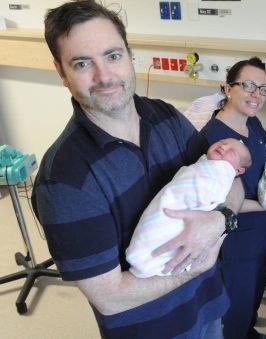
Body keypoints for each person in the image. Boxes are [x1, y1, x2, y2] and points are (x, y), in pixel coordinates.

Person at [31, 2, 244, 338]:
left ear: (130, 57)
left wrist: (220, 219)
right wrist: (197, 264)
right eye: (83, 63)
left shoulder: (166, 117)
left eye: (113, 56)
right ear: (61, 72)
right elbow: (110, 297)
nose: (103, 77)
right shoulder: (64, 181)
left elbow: (229, 178)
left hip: (209, 304)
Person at [198, 56, 266, 339]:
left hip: (262, 232)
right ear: (227, 88)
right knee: (235, 308)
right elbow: (214, 202)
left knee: (253, 299)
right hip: (237, 240)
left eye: (263, 89)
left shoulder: (253, 125)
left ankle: (247, 332)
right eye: (248, 85)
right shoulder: (214, 139)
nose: (257, 95)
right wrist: (265, 204)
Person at [126, 138, 252, 278]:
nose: (224, 146)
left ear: (238, 170)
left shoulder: (221, 172)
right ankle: (146, 257)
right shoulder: (204, 163)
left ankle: (147, 258)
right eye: (222, 142)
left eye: (232, 151)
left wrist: (220, 218)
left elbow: (205, 192)